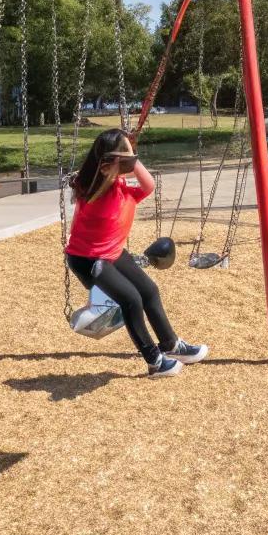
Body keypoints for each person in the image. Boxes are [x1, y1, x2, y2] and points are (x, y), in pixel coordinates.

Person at [65, 128, 208, 379]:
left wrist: (131, 155)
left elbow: (149, 184)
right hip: (88, 259)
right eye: (125, 154)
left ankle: (171, 345)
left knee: (149, 291)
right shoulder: (92, 190)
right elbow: (99, 188)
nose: (130, 159)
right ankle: (154, 361)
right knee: (132, 300)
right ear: (109, 161)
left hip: (112, 252)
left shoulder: (120, 187)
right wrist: (120, 164)